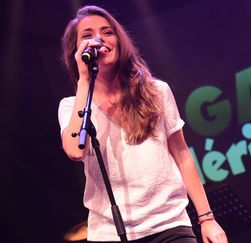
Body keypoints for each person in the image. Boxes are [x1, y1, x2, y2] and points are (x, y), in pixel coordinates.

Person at [58, 5, 228, 243]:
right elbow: (76, 150)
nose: (98, 39)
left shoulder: (156, 92)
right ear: (76, 51)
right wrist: (84, 80)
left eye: (107, 32)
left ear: (119, 40)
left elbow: (181, 155)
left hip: (169, 224)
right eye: (87, 35)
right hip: (110, 234)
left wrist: (207, 219)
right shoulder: (71, 106)